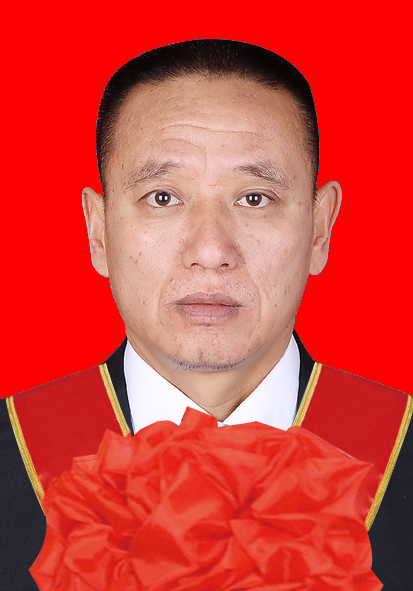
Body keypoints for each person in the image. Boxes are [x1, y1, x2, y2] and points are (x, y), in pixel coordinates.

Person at [0, 39, 411, 590]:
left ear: (320, 229)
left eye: (255, 198)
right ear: (98, 231)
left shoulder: (397, 452)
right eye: (162, 197)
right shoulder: (14, 459)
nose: (211, 250)